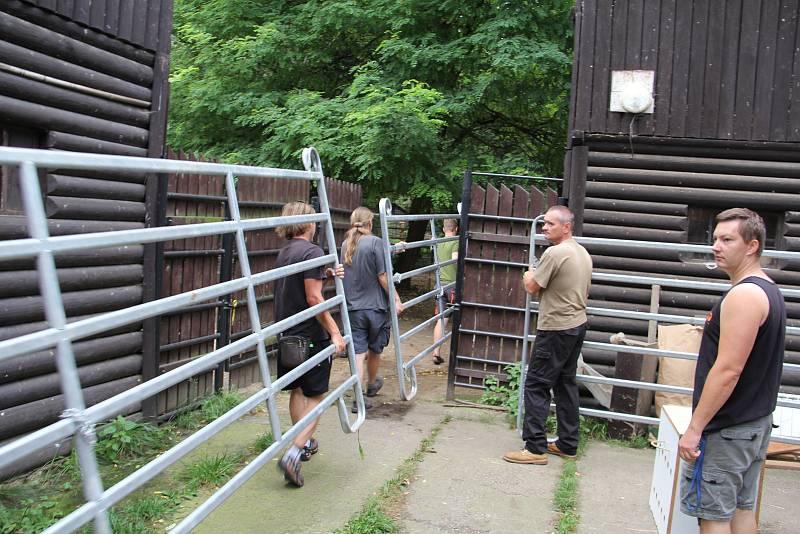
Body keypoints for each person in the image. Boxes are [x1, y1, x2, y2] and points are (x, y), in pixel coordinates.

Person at [678, 208, 785, 533]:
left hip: (729, 429)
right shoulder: (768, 289)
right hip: (752, 423)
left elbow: (728, 370)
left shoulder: (745, 296)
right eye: (715, 239)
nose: (716, 246)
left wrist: (695, 428)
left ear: (752, 246)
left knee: (713, 516)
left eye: (727, 239)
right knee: (741, 510)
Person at [503, 205, 592, 465]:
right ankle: (567, 443)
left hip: (555, 328)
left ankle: (535, 448)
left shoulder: (556, 253)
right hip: (577, 325)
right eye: (544, 223)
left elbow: (532, 286)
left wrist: (528, 273)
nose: (544, 227)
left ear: (566, 227)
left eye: (550, 224)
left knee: (536, 384)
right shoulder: (582, 252)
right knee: (565, 384)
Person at [274, 201, 346, 487]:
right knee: (318, 397)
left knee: (298, 390)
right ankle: (293, 453)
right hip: (310, 336)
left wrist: (325, 274)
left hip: (287, 334)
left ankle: (302, 443)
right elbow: (314, 299)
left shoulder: (286, 252)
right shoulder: (313, 251)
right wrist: (335, 332)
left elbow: (301, 282)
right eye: (314, 220)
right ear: (307, 222)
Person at [342, 207, 404, 413]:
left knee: (359, 354)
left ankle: (357, 398)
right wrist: (395, 298)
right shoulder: (375, 242)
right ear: (369, 223)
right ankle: (371, 384)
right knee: (375, 349)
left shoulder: (345, 245)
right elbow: (383, 276)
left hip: (353, 309)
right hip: (376, 308)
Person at [431, 218, 459, 365]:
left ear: (443, 229)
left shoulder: (438, 242)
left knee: (441, 320)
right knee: (454, 319)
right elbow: (455, 259)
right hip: (452, 285)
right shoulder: (455, 241)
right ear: (456, 229)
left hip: (439, 285)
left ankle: (436, 353)